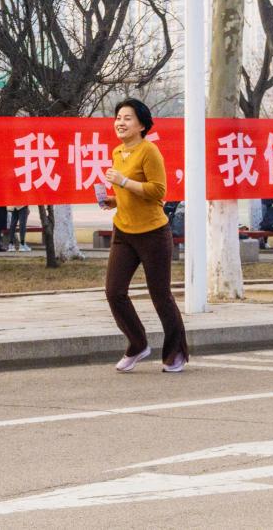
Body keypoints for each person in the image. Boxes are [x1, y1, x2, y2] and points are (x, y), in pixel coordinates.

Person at [102, 98, 188, 373]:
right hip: (124, 231)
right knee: (114, 292)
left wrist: (124, 182)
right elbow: (129, 193)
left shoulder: (149, 151)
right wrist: (114, 200)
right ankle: (137, 344)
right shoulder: (118, 152)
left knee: (160, 295)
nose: (120, 123)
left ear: (142, 125)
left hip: (152, 233)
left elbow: (157, 191)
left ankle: (176, 353)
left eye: (127, 118)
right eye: (118, 117)